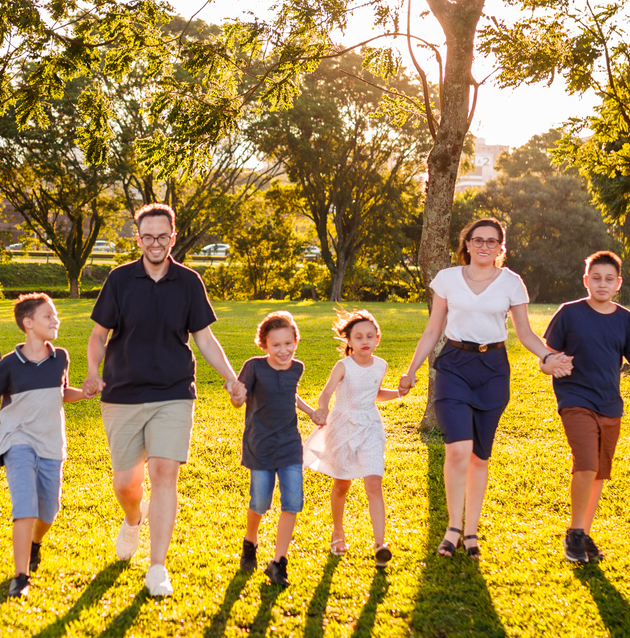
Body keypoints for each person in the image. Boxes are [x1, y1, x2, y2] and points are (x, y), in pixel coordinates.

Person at [82, 203, 245, 597]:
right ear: (138, 239)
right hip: (122, 392)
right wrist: (92, 371)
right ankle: (132, 519)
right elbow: (98, 335)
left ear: (173, 238)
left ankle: (157, 567)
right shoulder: (120, 279)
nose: (154, 244)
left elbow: (204, 337)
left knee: (163, 474)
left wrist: (231, 378)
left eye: (162, 237)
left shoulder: (189, 282)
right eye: (147, 237)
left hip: (173, 391)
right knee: (126, 483)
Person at [398, 218, 573, 560]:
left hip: (493, 370)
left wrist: (548, 356)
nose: (484, 246)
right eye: (477, 240)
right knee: (458, 449)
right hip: (453, 366)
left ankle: (472, 531)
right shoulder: (448, 278)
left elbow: (525, 332)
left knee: (480, 456)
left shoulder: (511, 283)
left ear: (500, 248)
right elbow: (433, 329)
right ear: (467, 244)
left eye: (492, 241)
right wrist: (411, 370)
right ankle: (453, 527)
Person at [542, 250, 630, 563]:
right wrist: (550, 366)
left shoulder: (624, 319)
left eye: (609, 279)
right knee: (586, 464)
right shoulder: (569, 313)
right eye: (596, 278)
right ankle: (574, 534)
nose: (602, 284)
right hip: (575, 400)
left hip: (610, 405)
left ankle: (583, 534)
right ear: (586, 280)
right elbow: (546, 357)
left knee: (598, 473)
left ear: (618, 283)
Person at [0, 293, 85, 599]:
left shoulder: (60, 358)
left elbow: (60, 393)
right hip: (17, 441)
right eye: (48, 316)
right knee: (25, 505)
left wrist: (85, 393)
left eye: (55, 315)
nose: (56, 320)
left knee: (49, 511)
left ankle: (35, 544)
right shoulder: (7, 366)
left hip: (51, 443)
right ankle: (21, 576)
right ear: (28, 323)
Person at [231, 311, 324, 587]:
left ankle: (278, 562)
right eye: (276, 345)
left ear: (296, 341)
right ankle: (250, 542)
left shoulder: (297, 368)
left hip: (289, 445)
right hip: (260, 445)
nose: (283, 350)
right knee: (260, 502)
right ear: (264, 345)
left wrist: (310, 411)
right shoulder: (254, 367)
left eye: (288, 343)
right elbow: (240, 398)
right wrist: (236, 397)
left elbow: (290, 393)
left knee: (293, 502)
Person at [303, 309, 402, 567]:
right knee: (342, 484)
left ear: (377, 339)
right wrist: (322, 408)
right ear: (348, 340)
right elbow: (326, 393)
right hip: (343, 428)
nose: (365, 341)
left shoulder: (381, 365)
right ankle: (338, 532)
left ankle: (380, 544)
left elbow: (375, 393)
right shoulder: (343, 366)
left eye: (370, 336)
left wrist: (399, 392)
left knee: (374, 482)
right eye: (358, 337)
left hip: (370, 427)